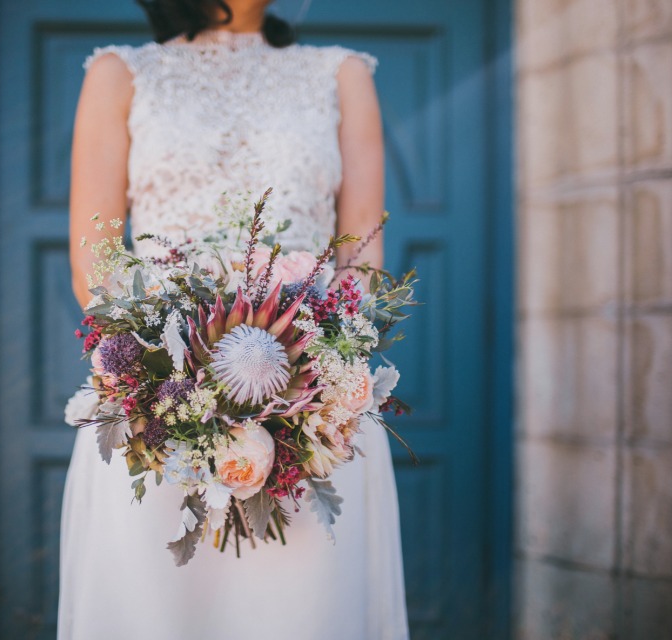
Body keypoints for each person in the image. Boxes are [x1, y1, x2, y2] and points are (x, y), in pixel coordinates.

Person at [59, 1, 409, 638]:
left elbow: (360, 258)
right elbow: (95, 264)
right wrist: (172, 382)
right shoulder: (119, 73)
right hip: (157, 412)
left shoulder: (342, 75)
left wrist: (311, 382)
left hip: (316, 417)